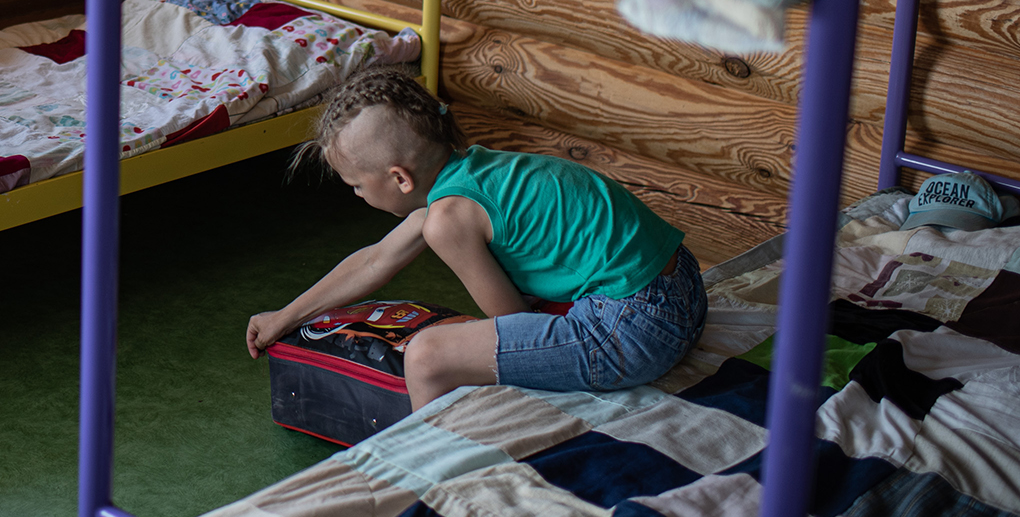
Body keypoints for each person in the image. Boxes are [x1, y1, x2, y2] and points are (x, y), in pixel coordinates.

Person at [246, 66, 706, 410]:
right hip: (684, 291)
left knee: (426, 357)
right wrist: (284, 318)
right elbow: (375, 260)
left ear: (400, 178)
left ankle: (432, 469)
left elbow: (511, 321)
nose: (357, 194)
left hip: (635, 331)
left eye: (357, 185)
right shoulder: (474, 175)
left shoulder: (447, 219)